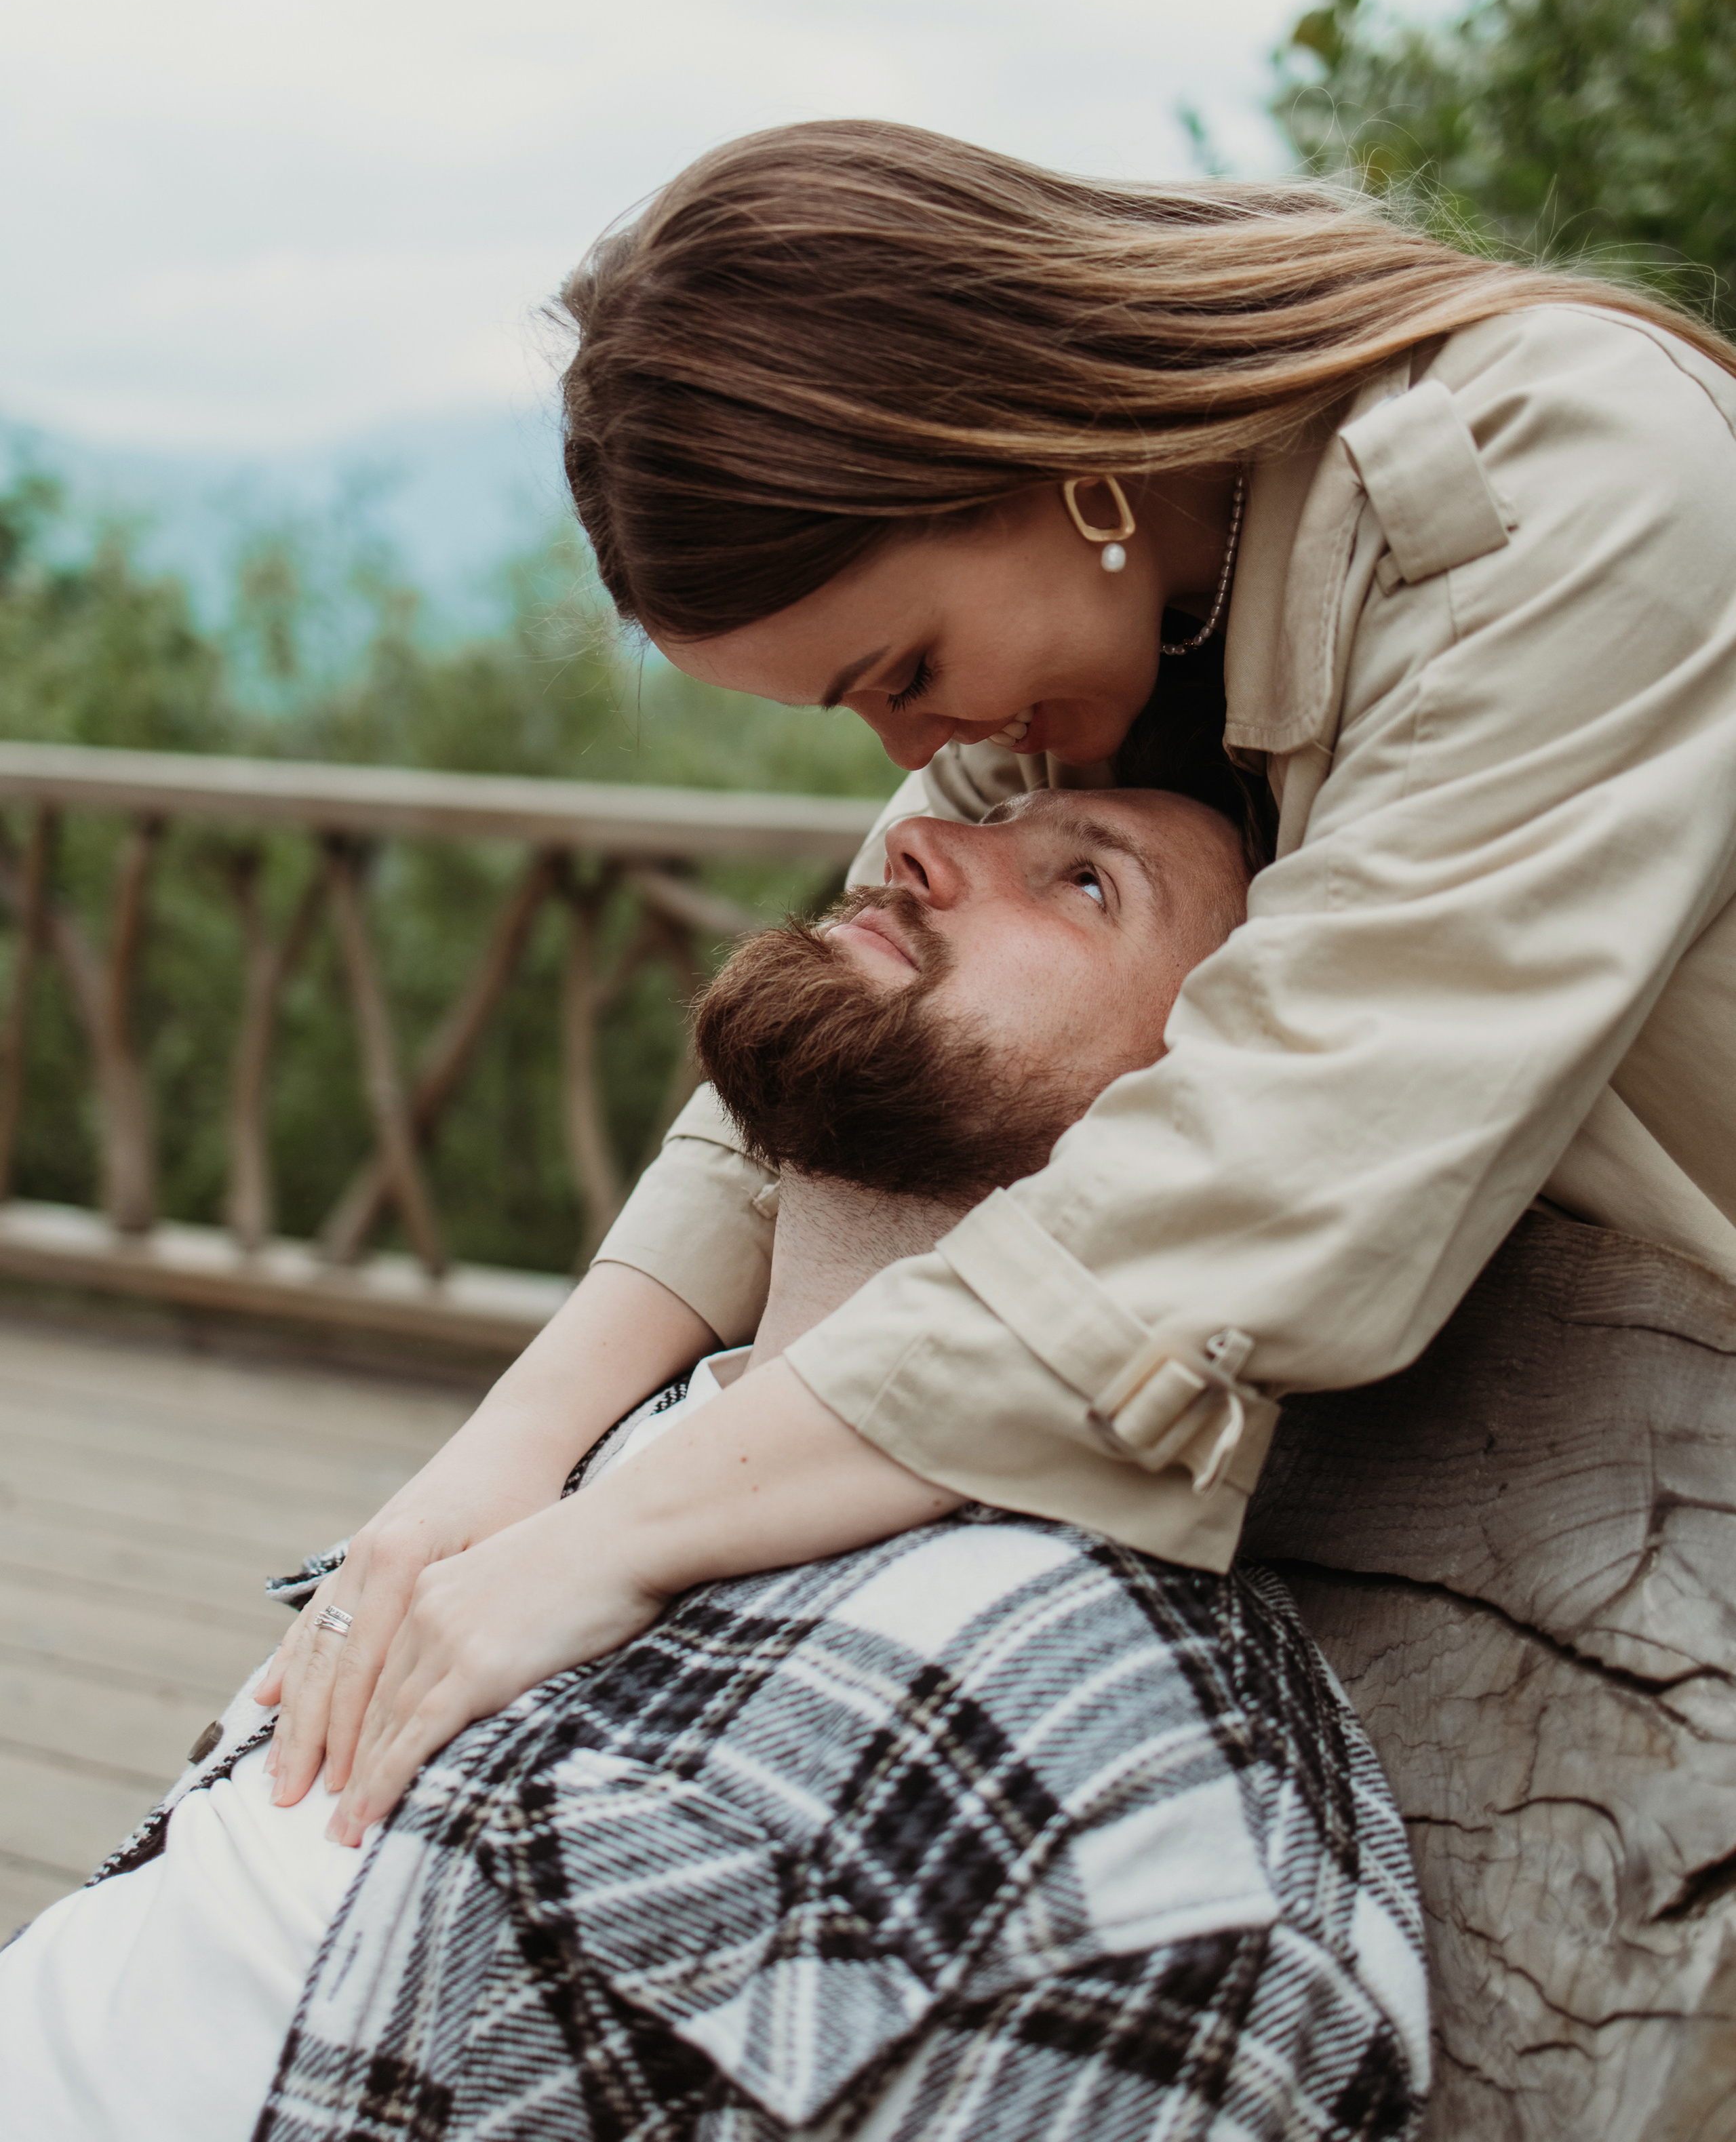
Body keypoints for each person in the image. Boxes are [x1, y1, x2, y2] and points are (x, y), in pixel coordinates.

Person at [257, 117, 1736, 1848]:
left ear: (1045, 456)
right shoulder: (1115, 632)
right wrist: (495, 1472)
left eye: (907, 668)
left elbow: (1270, 1173)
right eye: (855, 712)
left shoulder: (1557, 470)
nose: (908, 755)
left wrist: (618, 1536)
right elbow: (798, 1075)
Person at [0, 791, 1430, 2141]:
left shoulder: (1144, 1784)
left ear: (1205, 1124)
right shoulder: (609, 1444)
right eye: (985, 819)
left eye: (1082, 881)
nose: (921, 839)